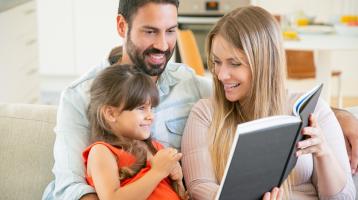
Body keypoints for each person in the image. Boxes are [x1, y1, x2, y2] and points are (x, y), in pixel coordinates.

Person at [42, 0, 357, 199]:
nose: (163, 45)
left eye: (170, 31)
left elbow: (246, 97)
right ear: (122, 26)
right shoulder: (80, 96)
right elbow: (71, 188)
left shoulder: (190, 85)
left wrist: (341, 117)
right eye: (150, 32)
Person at [181, 6, 356, 200]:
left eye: (235, 63)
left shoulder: (315, 111)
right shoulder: (206, 113)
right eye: (216, 61)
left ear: (265, 63)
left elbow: (344, 197)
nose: (221, 74)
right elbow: (199, 186)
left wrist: (323, 154)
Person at [83, 64, 187, 199]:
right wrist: (157, 172)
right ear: (111, 114)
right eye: (141, 108)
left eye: (151, 108)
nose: (150, 116)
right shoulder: (102, 152)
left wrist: (178, 182)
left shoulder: (154, 148)